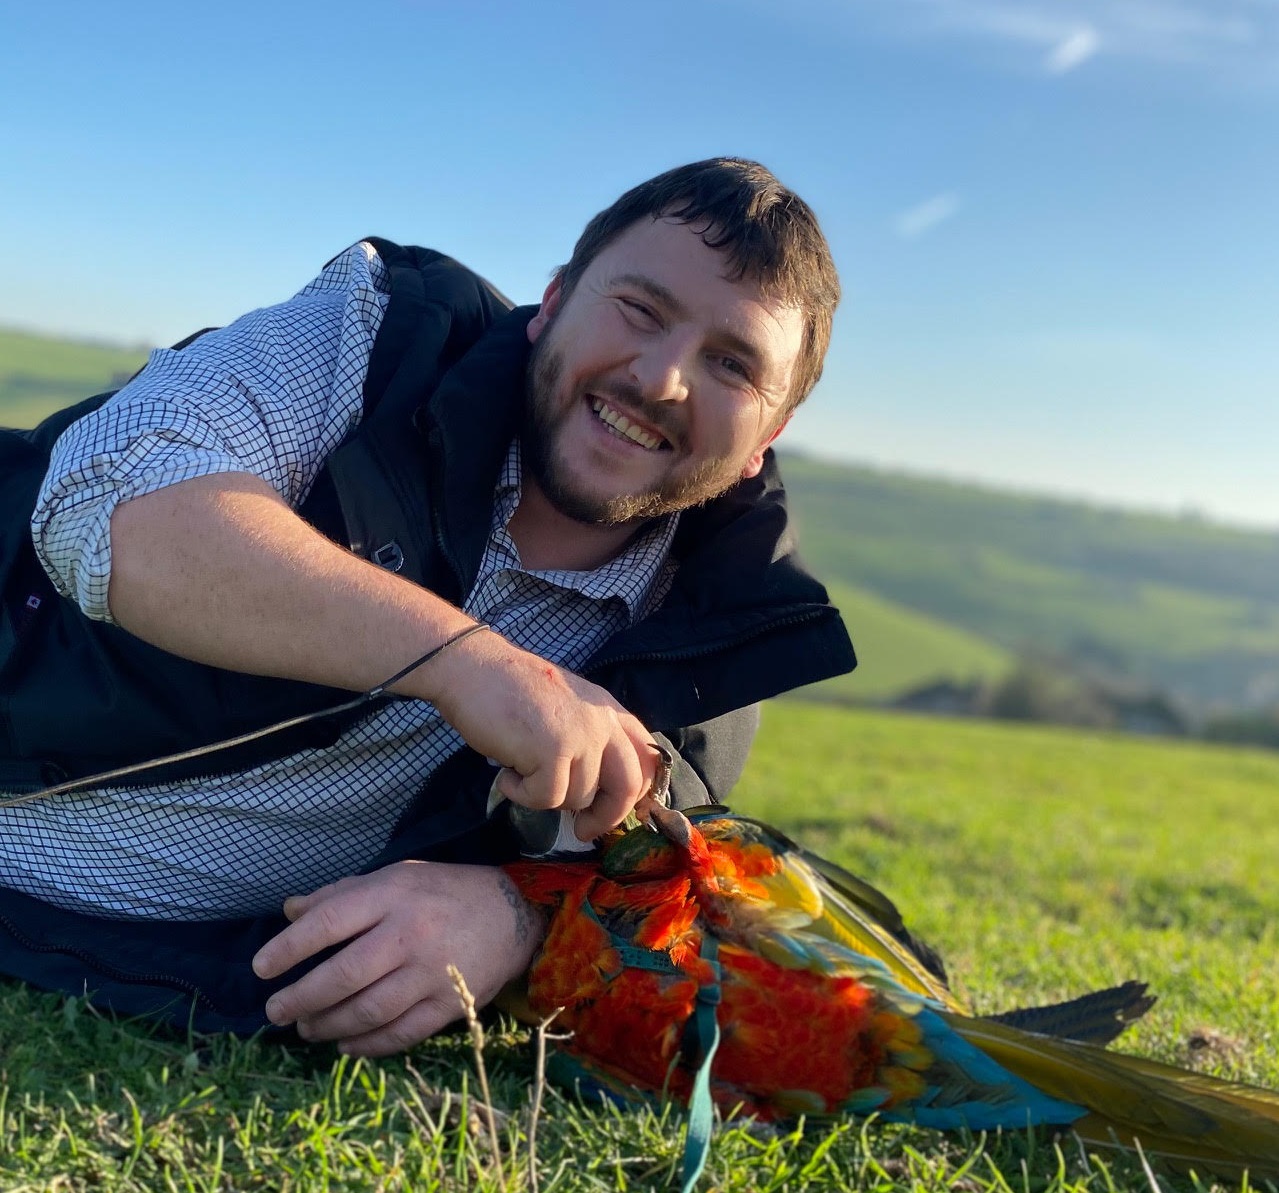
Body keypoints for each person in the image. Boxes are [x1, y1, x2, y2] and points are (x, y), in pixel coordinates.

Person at [0, 158, 855, 1056]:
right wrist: (466, 662)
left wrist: (511, 918)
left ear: (769, 436)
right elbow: (108, 504)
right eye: (639, 309)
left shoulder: (709, 652)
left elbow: (656, 895)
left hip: (125, 965)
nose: (662, 377)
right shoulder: (378, 330)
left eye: (732, 363)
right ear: (553, 303)